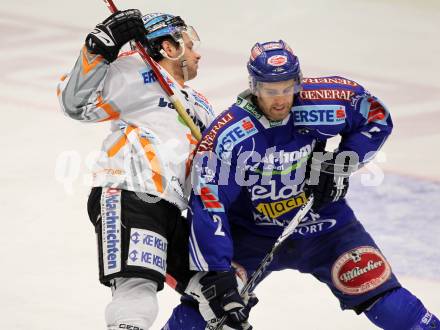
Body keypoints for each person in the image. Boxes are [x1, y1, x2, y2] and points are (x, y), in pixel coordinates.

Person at [162, 40, 439, 329]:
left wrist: (340, 165)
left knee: (380, 293)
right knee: (207, 309)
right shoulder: (232, 134)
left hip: (323, 225)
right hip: (251, 235)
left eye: (287, 88)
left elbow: (376, 117)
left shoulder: (325, 100)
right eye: (270, 91)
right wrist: (217, 272)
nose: (280, 99)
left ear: (299, 82)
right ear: (254, 86)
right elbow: (209, 201)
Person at [57, 9, 214, 330]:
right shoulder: (138, 69)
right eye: (188, 43)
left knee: (217, 293)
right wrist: (98, 50)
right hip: (131, 189)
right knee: (136, 289)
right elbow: (76, 104)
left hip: (174, 208)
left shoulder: (201, 104)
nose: (197, 53)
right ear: (169, 48)